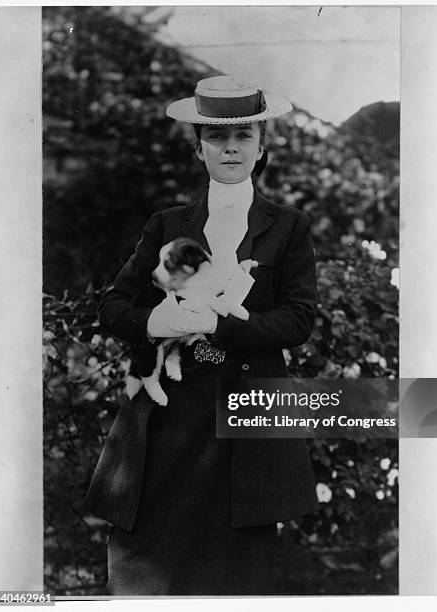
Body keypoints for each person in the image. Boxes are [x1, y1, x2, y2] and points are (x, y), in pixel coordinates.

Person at [83, 75, 319, 595]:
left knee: (236, 578)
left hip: (245, 423)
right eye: (216, 137)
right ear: (198, 149)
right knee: (145, 571)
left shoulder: (290, 226)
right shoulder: (168, 224)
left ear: (260, 147)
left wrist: (219, 323)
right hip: (168, 424)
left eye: (244, 137)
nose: (230, 148)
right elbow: (113, 306)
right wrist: (154, 322)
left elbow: (299, 320)